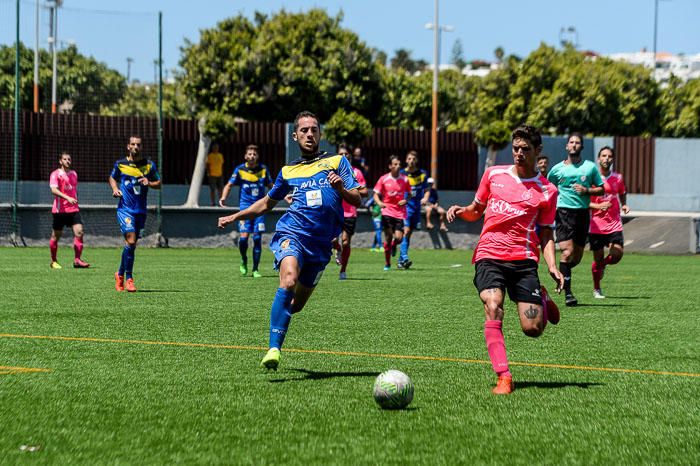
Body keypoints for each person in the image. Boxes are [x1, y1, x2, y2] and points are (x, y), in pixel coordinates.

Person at [217, 111, 361, 370]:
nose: (309, 134)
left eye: (314, 129)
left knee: (296, 306)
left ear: (320, 134)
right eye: (304, 130)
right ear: (295, 135)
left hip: (320, 246)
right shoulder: (288, 170)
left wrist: (341, 189)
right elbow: (266, 203)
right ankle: (274, 349)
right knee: (289, 279)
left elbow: (357, 199)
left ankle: (279, 316)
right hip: (292, 233)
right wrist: (237, 215)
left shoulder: (338, 162)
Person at [446, 125, 563, 395]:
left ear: (538, 151)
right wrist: (461, 210)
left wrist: (552, 266)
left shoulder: (547, 191)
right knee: (493, 304)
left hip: (523, 260)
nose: (519, 154)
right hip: (489, 255)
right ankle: (504, 376)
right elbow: (477, 210)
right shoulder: (493, 174)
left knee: (532, 329)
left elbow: (545, 232)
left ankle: (541, 298)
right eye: (516, 148)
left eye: (526, 149)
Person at [547, 133, 604, 306]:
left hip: (582, 214)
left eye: (577, 142)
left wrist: (586, 191)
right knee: (567, 252)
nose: (574, 145)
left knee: (576, 258)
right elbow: (548, 188)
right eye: (571, 142)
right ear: (566, 146)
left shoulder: (590, 168)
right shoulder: (557, 170)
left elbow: (601, 189)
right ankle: (568, 294)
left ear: (581, 147)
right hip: (563, 213)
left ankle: (563, 272)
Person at [109, 136, 161, 292]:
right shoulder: (121, 164)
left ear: (141, 147)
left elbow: (159, 184)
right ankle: (129, 279)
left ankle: (119, 274)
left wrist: (149, 183)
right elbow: (112, 178)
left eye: (138, 144)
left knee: (131, 246)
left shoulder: (149, 166)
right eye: (133, 144)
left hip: (141, 211)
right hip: (125, 209)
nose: (135, 147)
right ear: (128, 146)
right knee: (131, 241)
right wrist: (115, 189)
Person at [219, 144, 273, 278]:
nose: (252, 156)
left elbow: (272, 186)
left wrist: (284, 196)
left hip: (260, 209)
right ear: (245, 156)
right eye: (249, 154)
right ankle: (244, 259)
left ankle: (255, 269)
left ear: (257, 156)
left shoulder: (264, 170)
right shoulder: (240, 170)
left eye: (254, 154)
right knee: (243, 239)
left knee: (257, 238)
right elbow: (229, 184)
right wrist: (223, 197)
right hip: (245, 208)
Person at [588, 146, 630, 299]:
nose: (606, 158)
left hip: (614, 223)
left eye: (609, 156)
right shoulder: (592, 178)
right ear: (599, 159)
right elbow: (584, 202)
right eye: (603, 156)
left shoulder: (617, 178)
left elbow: (622, 192)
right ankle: (597, 289)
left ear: (613, 159)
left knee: (617, 254)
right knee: (597, 259)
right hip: (596, 225)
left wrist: (624, 204)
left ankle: (602, 265)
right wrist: (598, 206)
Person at [49, 152, 90, 269]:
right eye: (65, 159)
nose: (67, 161)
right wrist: (67, 198)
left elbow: (73, 190)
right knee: (55, 236)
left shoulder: (74, 174)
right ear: (60, 161)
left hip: (73, 209)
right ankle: (53, 261)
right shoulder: (55, 174)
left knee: (79, 232)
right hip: (59, 211)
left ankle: (77, 260)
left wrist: (74, 200)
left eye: (69, 159)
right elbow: (54, 190)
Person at [335, 144, 368, 280]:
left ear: (350, 156)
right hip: (334, 211)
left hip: (349, 213)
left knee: (346, 242)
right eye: (340, 154)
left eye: (346, 154)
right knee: (332, 240)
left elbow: (365, 191)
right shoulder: (331, 172)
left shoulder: (356, 173)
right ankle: (337, 249)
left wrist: (347, 189)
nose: (343, 157)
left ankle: (343, 270)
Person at [373, 155, 411, 271]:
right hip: (387, 212)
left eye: (399, 164)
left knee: (399, 238)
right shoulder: (384, 179)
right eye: (395, 164)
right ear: (390, 166)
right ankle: (387, 263)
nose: (398, 166)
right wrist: (379, 203)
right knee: (388, 237)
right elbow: (375, 194)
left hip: (399, 213)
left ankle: (395, 245)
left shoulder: (405, 179)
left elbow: (410, 194)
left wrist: (406, 200)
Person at [398, 150, 430, 269]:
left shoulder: (422, 174)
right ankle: (405, 257)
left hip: (416, 208)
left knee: (408, 234)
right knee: (405, 231)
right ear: (406, 160)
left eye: (413, 159)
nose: (411, 161)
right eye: (409, 159)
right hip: (404, 207)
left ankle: (401, 261)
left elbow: (426, 189)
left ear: (416, 161)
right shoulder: (401, 174)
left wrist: (425, 198)